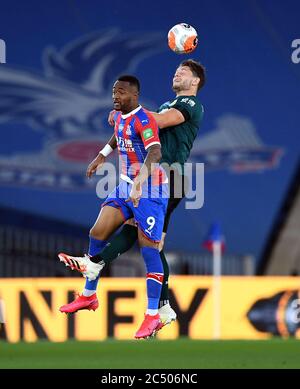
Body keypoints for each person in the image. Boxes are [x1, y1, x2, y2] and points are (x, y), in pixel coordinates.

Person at [60, 59, 205, 332]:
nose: (176, 73)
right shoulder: (165, 104)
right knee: (144, 239)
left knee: (147, 242)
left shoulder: (190, 105)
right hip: (145, 177)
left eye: (183, 72)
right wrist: (118, 125)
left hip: (168, 177)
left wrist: (127, 110)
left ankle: (98, 266)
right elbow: (134, 126)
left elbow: (153, 122)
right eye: (175, 70)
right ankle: (161, 306)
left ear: (195, 81)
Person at [59, 75, 169, 339]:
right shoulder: (120, 116)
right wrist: (99, 157)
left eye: (120, 92)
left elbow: (155, 152)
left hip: (150, 189)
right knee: (97, 233)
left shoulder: (145, 120)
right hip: (125, 185)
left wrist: (140, 181)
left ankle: (153, 314)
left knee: (149, 250)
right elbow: (116, 137)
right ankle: (88, 296)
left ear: (134, 95)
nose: (114, 96)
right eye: (113, 92)